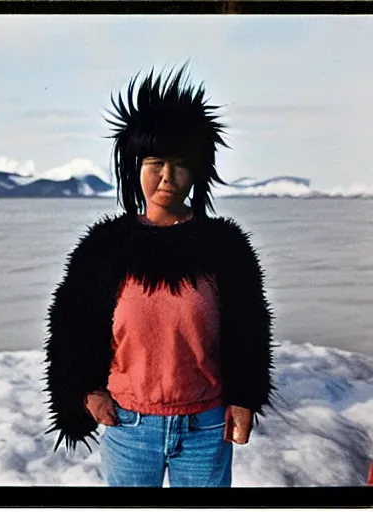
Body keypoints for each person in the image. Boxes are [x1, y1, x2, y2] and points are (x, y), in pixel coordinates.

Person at [43, 64, 275, 487]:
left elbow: (249, 330)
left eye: (180, 165)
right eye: (155, 163)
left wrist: (245, 399)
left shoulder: (224, 248)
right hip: (128, 426)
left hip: (206, 427)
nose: (167, 177)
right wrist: (85, 392)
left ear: (197, 172)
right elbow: (73, 328)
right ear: (135, 166)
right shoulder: (106, 247)